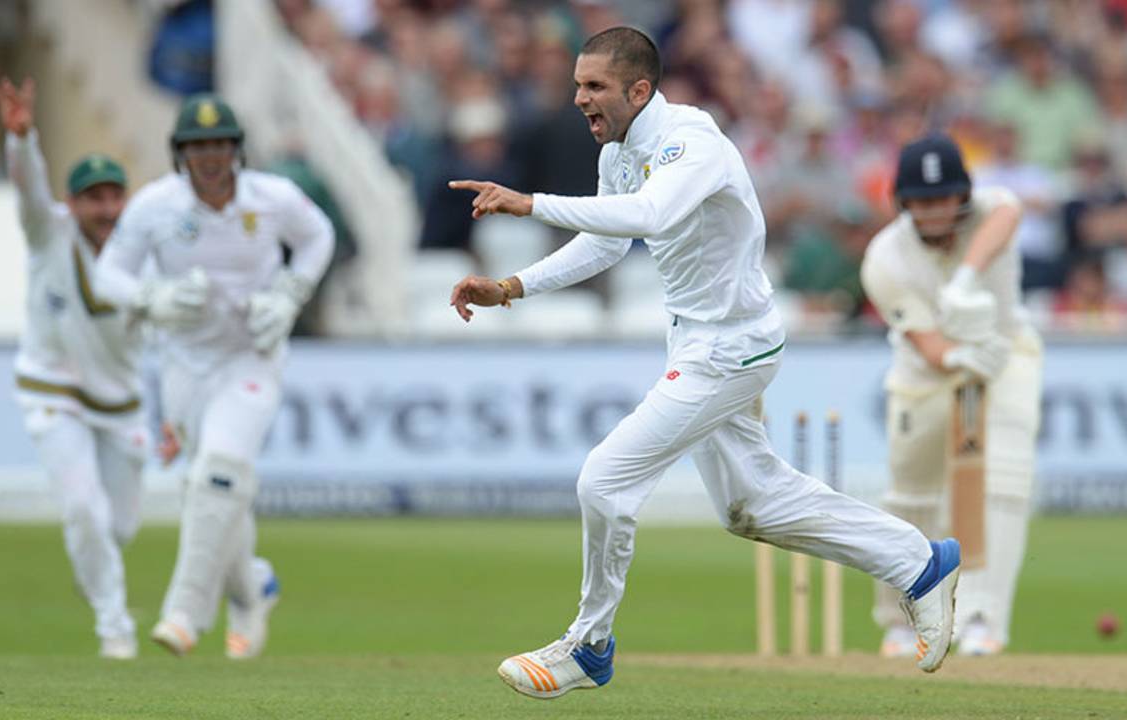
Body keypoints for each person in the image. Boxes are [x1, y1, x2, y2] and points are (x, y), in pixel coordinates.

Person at [446, 27, 961, 699]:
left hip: (730, 347)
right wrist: (514, 286)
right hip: (696, 340)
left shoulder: (692, 144)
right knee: (752, 504)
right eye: (577, 85)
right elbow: (607, 241)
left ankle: (589, 644)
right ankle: (920, 562)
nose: (579, 98)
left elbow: (654, 214)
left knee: (603, 481)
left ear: (639, 90)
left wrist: (529, 203)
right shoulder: (621, 150)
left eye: (594, 87)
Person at [94, 94, 335, 659]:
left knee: (221, 470)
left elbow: (318, 235)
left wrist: (290, 294)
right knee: (211, 487)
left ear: (236, 149)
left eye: (220, 144)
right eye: (198, 146)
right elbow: (109, 275)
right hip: (183, 365)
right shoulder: (156, 206)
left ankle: (185, 611)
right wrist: (153, 298)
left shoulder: (271, 197)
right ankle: (252, 590)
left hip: (252, 354)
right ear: (181, 154)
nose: (210, 157)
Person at [860, 134, 1044, 657]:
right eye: (923, 201)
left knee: (1004, 481)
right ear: (904, 203)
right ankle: (901, 620)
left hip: (1007, 356)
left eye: (944, 199)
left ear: (962, 196)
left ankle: (983, 618)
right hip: (926, 371)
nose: (936, 211)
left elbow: (1010, 212)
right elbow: (928, 343)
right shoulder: (884, 259)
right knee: (912, 494)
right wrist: (959, 358)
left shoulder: (991, 210)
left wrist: (966, 278)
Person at [0, 77, 146, 660]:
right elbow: (28, 191)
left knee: (116, 529)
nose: (105, 209)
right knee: (83, 506)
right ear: (73, 202)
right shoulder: (47, 231)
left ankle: (97, 573)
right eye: (93, 198)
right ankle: (115, 626)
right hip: (51, 390)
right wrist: (22, 141)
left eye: (114, 197)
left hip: (122, 401)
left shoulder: (140, 245)